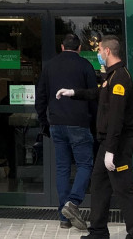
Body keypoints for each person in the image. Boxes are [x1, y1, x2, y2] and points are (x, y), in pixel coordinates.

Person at [56, 36, 133, 239]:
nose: (98, 55)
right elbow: (97, 94)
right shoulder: (110, 77)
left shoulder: (120, 77)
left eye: (99, 50)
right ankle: (98, 232)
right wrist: (73, 93)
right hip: (109, 142)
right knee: (99, 186)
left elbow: (117, 117)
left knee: (124, 189)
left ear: (107, 52)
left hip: (118, 143)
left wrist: (111, 151)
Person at [35, 34, 98, 229]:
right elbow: (94, 97)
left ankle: (64, 217)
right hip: (79, 123)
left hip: (57, 123)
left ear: (62, 47)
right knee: (85, 164)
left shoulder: (50, 66)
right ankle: (73, 203)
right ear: (79, 48)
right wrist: (95, 124)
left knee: (62, 168)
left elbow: (41, 97)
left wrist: (44, 122)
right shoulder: (86, 66)